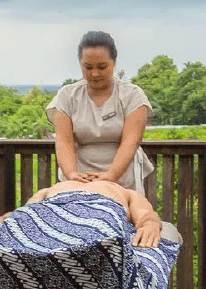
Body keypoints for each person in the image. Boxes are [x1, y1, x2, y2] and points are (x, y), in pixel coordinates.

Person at [45, 31, 155, 194]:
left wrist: (111, 176)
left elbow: (130, 141)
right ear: (80, 64)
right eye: (88, 67)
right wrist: (72, 175)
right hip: (79, 178)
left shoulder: (132, 95)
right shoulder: (67, 95)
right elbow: (64, 142)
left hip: (123, 178)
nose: (95, 74)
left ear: (114, 62)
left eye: (102, 67)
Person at [0, 179, 163, 247]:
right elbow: (27, 213)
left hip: (99, 211)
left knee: (95, 230)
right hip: (54, 208)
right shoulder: (53, 188)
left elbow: (146, 214)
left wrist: (150, 226)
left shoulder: (122, 191)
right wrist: (0, 221)